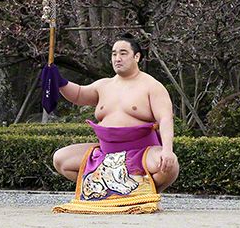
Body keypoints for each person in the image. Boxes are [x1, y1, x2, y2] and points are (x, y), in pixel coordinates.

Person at [44, 35, 180, 213]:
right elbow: (78, 94)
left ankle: (143, 195)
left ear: (136, 57)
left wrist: (167, 150)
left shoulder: (152, 86)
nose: (117, 58)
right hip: (105, 154)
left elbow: (165, 119)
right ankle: (107, 193)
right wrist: (59, 82)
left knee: (170, 166)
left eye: (123, 53)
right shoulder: (103, 85)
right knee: (61, 159)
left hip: (142, 153)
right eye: (114, 54)